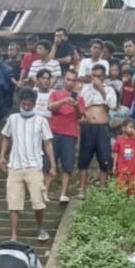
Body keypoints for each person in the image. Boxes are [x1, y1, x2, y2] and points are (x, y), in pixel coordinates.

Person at [0, 88, 56, 242]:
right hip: (15, 166)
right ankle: (14, 236)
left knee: (38, 202)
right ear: (20, 103)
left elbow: (48, 143)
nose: (25, 107)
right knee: (14, 203)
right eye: (23, 104)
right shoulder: (13, 119)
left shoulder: (41, 121)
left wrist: (52, 165)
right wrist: (2, 155)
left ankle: (41, 228)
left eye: (29, 105)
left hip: (34, 166)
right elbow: (6, 136)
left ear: (34, 104)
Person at [77, 63, 118, 198]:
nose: (96, 79)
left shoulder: (109, 89)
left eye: (99, 76)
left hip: (102, 128)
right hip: (87, 127)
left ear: (104, 76)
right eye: (94, 76)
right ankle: (82, 189)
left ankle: (102, 191)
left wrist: (101, 89)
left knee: (104, 158)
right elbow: (82, 106)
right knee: (83, 159)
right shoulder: (85, 89)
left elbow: (112, 105)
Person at [46, 70, 80, 200]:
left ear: (76, 82)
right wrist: (64, 100)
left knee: (68, 165)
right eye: (68, 79)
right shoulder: (55, 93)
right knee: (49, 163)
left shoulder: (80, 98)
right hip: (54, 133)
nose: (70, 82)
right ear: (63, 79)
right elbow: (51, 107)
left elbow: (80, 116)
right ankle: (45, 192)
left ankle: (63, 194)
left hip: (70, 134)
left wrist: (76, 106)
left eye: (73, 80)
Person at [112, 119, 135, 194]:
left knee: (133, 189)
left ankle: (132, 203)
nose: (132, 129)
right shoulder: (119, 139)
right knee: (121, 188)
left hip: (133, 168)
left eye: (133, 127)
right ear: (124, 128)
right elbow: (116, 153)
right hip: (122, 168)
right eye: (130, 127)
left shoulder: (134, 139)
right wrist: (114, 166)